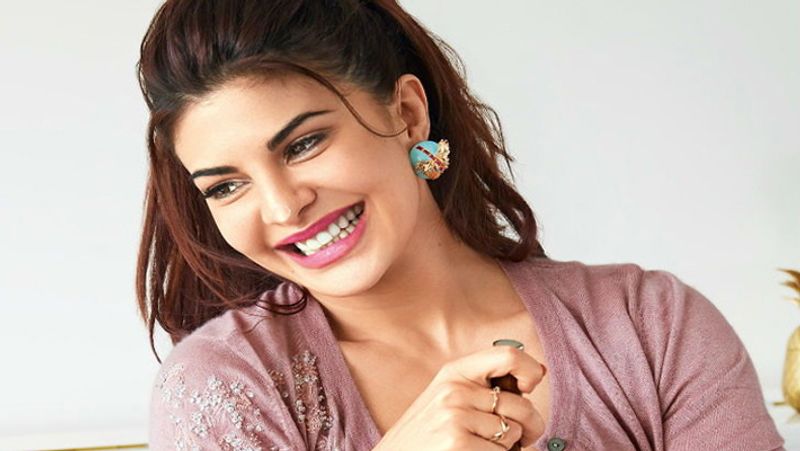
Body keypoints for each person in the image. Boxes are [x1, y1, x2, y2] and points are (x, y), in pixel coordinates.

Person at [136, 1, 785, 450]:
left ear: (408, 114)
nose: (282, 207)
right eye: (226, 185)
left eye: (303, 144)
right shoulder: (223, 388)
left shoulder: (651, 327)